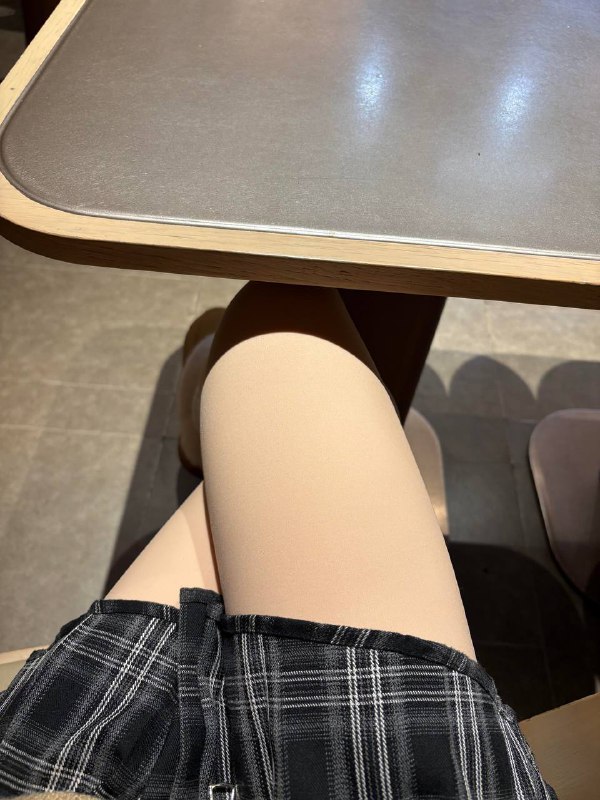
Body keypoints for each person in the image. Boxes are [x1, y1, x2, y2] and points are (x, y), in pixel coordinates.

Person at [0, 282, 555, 799]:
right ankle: (224, 421)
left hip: (65, 765)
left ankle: (214, 422)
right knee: (283, 326)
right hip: (366, 775)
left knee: (276, 333)